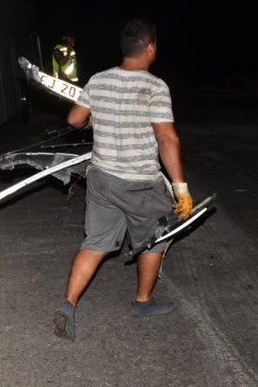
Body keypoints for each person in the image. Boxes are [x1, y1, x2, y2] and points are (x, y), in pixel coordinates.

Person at [53, 18, 193, 340]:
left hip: (101, 179)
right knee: (156, 236)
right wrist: (180, 188)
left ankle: (68, 305)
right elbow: (167, 140)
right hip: (139, 182)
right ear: (150, 48)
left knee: (97, 242)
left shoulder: (98, 80)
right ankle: (143, 301)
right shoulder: (154, 87)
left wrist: (94, 121)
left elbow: (75, 119)